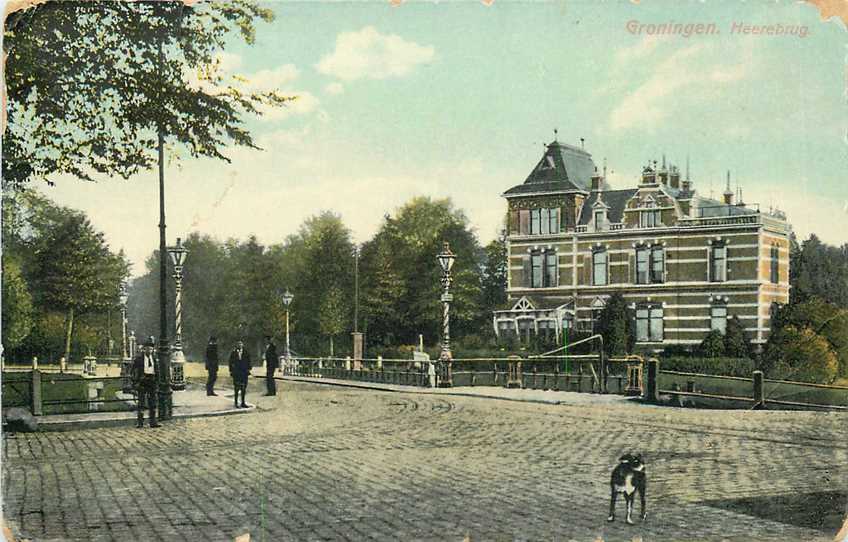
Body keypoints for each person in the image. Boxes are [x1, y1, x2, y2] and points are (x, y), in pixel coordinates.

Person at [132, 336, 160, 428]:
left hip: (152, 380)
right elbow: (133, 371)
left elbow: (157, 370)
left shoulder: (154, 359)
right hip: (142, 381)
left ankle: (153, 422)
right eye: (148, 348)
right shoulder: (139, 359)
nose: (149, 350)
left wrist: (157, 381)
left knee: (153, 402)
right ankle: (140, 422)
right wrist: (135, 382)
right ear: (144, 349)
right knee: (141, 402)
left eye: (151, 348)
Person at [228, 340, 251, 408]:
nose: (240, 345)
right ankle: (236, 402)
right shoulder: (233, 353)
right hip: (237, 373)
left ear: (243, 345)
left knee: (243, 388)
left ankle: (243, 402)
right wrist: (231, 371)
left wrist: (248, 369)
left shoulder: (246, 352)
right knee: (236, 388)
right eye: (238, 344)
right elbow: (230, 362)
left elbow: (249, 361)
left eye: (241, 343)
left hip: (244, 373)